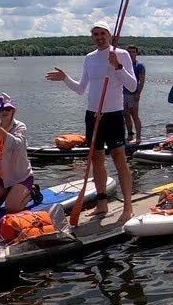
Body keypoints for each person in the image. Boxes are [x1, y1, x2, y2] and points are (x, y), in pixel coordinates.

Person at [45, 20, 136, 223]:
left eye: (102, 33)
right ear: (92, 37)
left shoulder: (121, 55)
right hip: (93, 115)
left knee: (119, 159)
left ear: (109, 35)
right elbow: (81, 89)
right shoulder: (89, 58)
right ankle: (101, 202)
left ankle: (128, 206)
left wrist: (118, 66)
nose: (99, 37)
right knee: (96, 160)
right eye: (95, 34)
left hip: (113, 114)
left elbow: (132, 86)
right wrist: (65, 78)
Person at [122, 45, 146, 144]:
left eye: (133, 52)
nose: (131, 54)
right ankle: (130, 135)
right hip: (123, 94)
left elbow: (142, 81)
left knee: (135, 115)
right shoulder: (123, 65)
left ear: (136, 53)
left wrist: (138, 93)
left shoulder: (139, 66)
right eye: (129, 52)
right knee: (126, 115)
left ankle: (139, 137)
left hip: (133, 94)